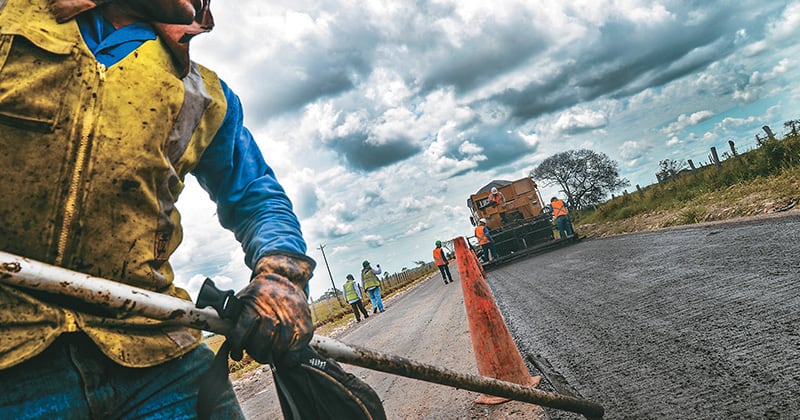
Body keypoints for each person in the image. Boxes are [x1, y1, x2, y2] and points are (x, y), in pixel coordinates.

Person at [0, 1, 376, 418]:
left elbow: (256, 196)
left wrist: (280, 276)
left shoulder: (204, 95)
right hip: (12, 362)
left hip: (156, 350)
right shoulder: (12, 23)